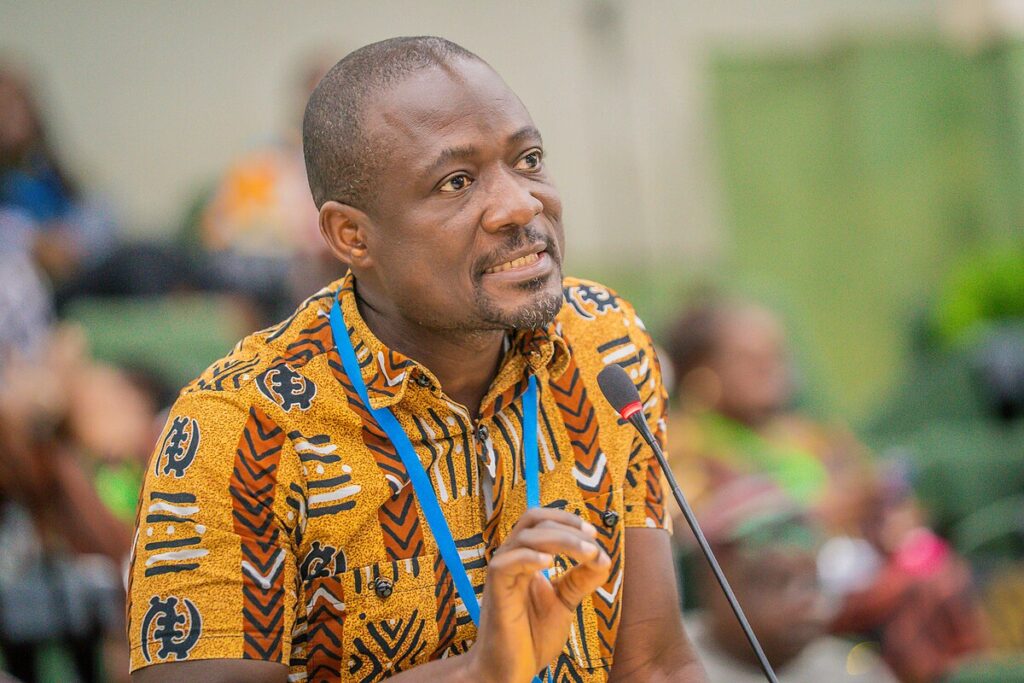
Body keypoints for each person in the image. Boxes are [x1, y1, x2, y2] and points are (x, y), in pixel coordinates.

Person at [128, 37, 706, 683]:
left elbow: (655, 664)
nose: (521, 203)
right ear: (352, 236)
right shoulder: (240, 424)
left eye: (529, 159)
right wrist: (477, 674)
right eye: (456, 182)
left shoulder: (603, 341)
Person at [684, 477, 898, 683]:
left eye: (810, 584)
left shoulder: (853, 672)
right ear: (708, 579)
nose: (804, 604)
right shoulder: (671, 662)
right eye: (772, 582)